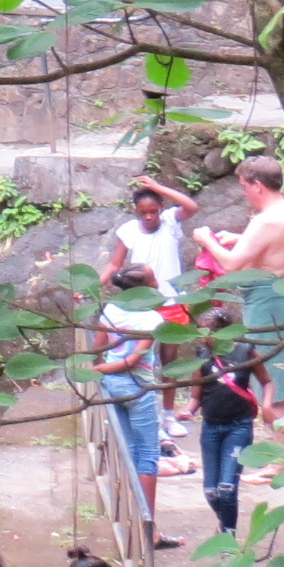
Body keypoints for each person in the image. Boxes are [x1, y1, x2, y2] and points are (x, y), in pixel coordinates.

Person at [106, 176, 202, 432]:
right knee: (142, 358)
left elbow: (191, 207)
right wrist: (93, 287)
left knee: (169, 360)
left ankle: (168, 416)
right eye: (143, 213)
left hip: (171, 301)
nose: (149, 217)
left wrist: (157, 187)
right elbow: (115, 264)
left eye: (153, 211)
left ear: (160, 208)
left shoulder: (170, 221)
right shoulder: (128, 231)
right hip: (142, 304)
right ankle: (149, 414)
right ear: (135, 212)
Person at [95, 263, 180, 547]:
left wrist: (98, 371)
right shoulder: (153, 320)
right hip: (138, 388)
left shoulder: (110, 311)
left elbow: (98, 350)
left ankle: (128, 518)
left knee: (128, 451)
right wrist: (104, 370)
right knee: (147, 456)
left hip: (113, 389)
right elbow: (133, 361)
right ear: (142, 289)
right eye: (154, 281)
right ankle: (148, 528)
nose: (157, 285)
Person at [197, 155, 284, 364]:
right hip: (282, 293)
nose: (244, 193)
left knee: (272, 369)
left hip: (267, 303)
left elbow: (231, 264)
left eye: (244, 187)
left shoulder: (265, 221)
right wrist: (239, 238)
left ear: (257, 185)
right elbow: (278, 242)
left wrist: (207, 240)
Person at [194, 306, 273, 535]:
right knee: (211, 490)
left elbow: (266, 381)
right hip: (211, 427)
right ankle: (223, 520)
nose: (202, 337)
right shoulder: (201, 355)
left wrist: (266, 405)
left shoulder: (245, 352)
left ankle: (229, 535)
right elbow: (195, 394)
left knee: (227, 487)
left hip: (238, 426)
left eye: (206, 332)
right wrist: (187, 410)